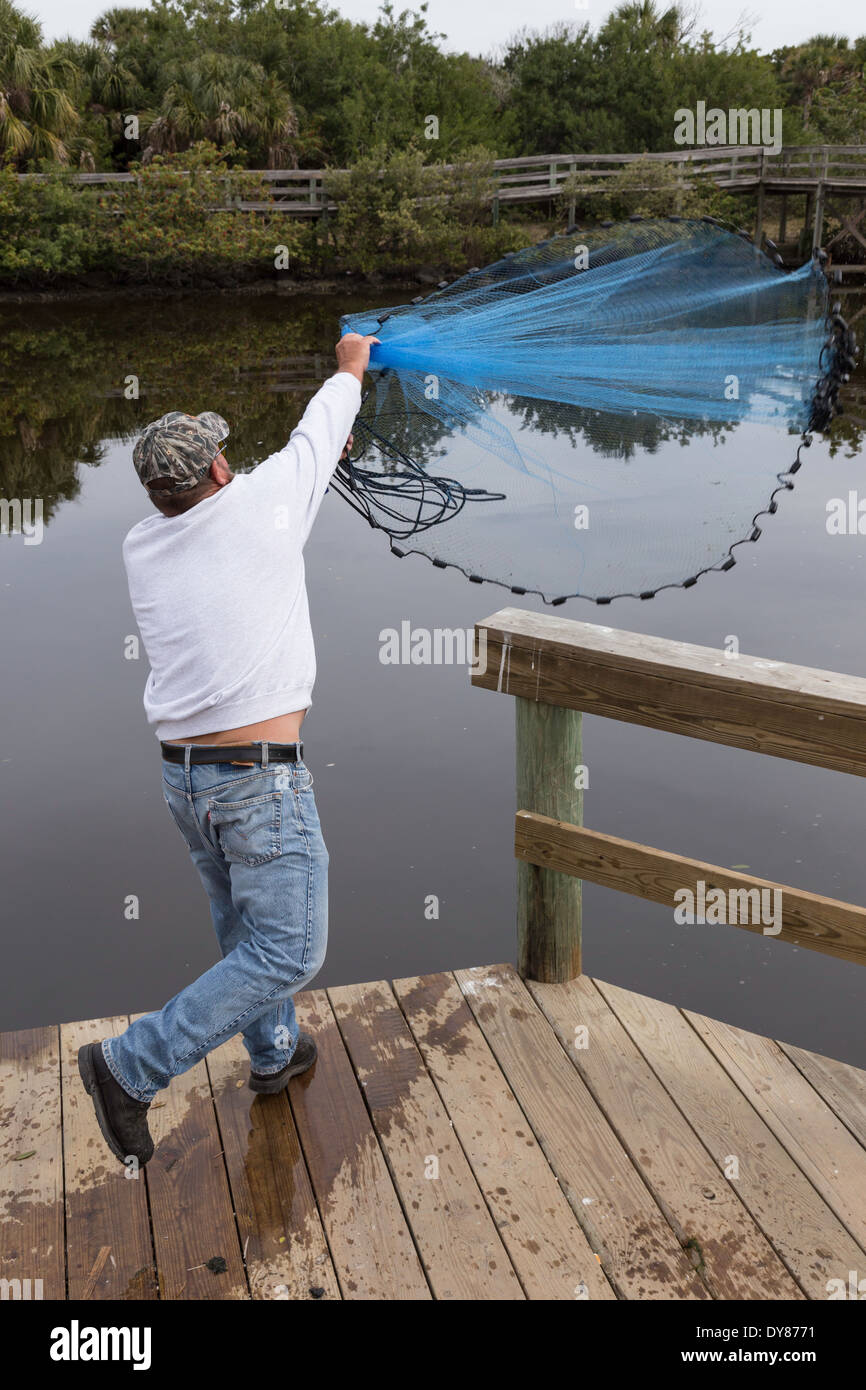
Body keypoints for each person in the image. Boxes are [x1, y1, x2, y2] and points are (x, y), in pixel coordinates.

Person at [78, 331, 379, 1168]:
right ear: (215, 472)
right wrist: (352, 362)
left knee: (242, 929)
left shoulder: (145, 544)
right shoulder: (259, 503)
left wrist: (313, 460)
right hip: (256, 786)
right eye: (223, 457)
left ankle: (275, 1053)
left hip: (186, 784)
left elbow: (295, 467)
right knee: (288, 947)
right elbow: (320, 425)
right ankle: (129, 1068)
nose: (232, 464)